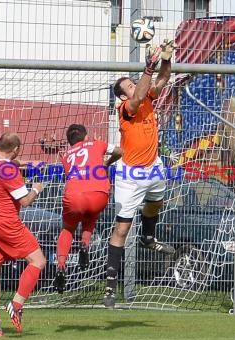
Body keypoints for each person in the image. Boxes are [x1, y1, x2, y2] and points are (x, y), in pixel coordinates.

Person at [103, 39, 177, 309]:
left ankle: (148, 237)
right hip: (130, 174)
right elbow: (137, 97)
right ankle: (110, 286)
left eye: (135, 83)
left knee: (156, 203)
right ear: (123, 96)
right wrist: (148, 67)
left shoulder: (147, 97)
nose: (136, 88)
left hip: (154, 165)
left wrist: (166, 59)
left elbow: (163, 80)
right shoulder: (125, 109)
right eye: (130, 86)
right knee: (122, 228)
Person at [0, 132, 46, 336]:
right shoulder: (9, 171)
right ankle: (16, 304)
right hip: (7, 222)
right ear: (16, 149)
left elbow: (11, 161)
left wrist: (29, 164)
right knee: (38, 261)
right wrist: (36, 189)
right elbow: (24, 201)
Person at [53, 124, 123, 294]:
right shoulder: (96, 144)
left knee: (68, 229)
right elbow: (120, 151)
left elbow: (69, 173)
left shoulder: (65, 155)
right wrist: (106, 163)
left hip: (74, 196)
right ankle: (85, 244)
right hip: (98, 192)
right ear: (86, 136)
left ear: (70, 142)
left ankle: (61, 265)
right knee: (92, 213)